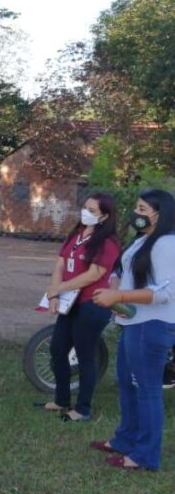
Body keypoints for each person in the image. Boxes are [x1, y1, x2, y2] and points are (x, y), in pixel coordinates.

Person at [90, 189, 175, 471]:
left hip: (151, 326)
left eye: (141, 208)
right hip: (133, 322)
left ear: (158, 214)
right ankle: (125, 440)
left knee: (147, 390)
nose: (135, 214)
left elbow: (165, 293)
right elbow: (124, 274)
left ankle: (145, 456)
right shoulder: (144, 240)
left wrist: (120, 298)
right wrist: (116, 294)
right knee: (126, 382)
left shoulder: (166, 244)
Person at [37, 193, 120, 421]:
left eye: (92, 211)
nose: (86, 213)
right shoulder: (77, 234)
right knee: (57, 349)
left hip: (92, 305)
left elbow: (94, 274)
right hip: (69, 302)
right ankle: (61, 400)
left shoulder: (108, 242)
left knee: (85, 356)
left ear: (104, 216)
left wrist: (60, 287)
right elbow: (60, 264)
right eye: (85, 208)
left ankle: (82, 409)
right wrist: (54, 292)